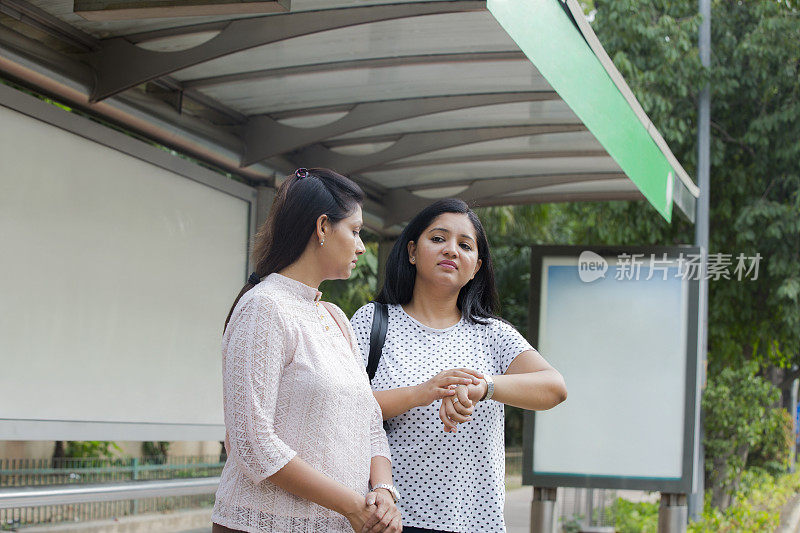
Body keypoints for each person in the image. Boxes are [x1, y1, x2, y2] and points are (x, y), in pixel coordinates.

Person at [350, 198, 567, 533]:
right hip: (387, 519)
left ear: (476, 266)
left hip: (474, 522)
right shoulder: (373, 321)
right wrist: (420, 394)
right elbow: (344, 410)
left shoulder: (493, 334)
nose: (450, 250)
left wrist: (485, 387)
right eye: (438, 239)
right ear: (411, 251)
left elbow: (554, 387)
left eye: (464, 245)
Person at [212, 168, 401, 533]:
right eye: (356, 231)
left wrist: (383, 490)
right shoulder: (264, 307)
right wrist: (352, 505)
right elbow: (252, 443)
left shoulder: (335, 318)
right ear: (322, 227)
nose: (362, 246)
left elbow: (369, 420)